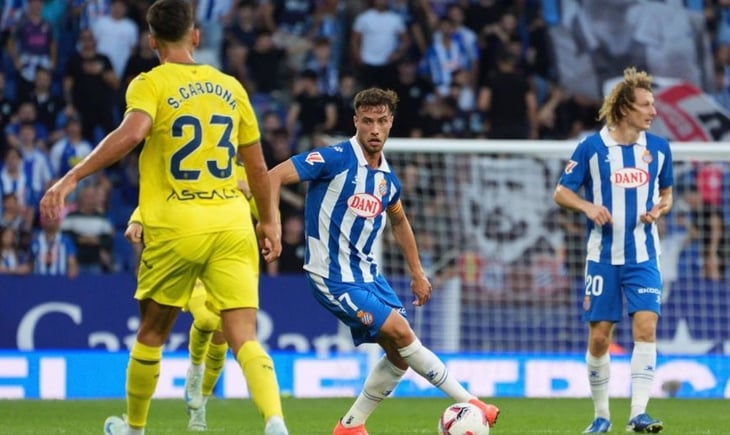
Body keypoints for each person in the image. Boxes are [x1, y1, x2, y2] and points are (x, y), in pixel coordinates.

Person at [38, 0, 288, 434]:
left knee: (152, 333)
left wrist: (72, 178)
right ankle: (275, 422)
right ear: (195, 36)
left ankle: (135, 428)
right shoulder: (230, 86)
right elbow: (256, 166)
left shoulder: (149, 83)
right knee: (244, 335)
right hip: (231, 221)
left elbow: (133, 133)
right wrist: (269, 220)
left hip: (176, 224)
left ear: (151, 40)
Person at [268, 87, 499, 435]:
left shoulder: (387, 179)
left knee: (397, 354)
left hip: (368, 276)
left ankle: (351, 425)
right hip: (332, 277)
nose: (374, 129)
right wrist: (271, 224)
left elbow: (400, 221)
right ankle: (472, 401)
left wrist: (418, 273)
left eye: (381, 121)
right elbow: (273, 177)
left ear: (391, 123)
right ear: (356, 122)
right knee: (402, 332)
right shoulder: (334, 158)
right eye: (367, 121)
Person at [553, 67, 673, 434]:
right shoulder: (592, 147)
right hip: (603, 258)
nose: (653, 111)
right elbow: (561, 191)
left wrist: (659, 209)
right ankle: (601, 415)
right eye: (645, 105)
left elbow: (667, 194)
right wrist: (588, 208)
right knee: (600, 336)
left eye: (653, 104)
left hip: (643, 256)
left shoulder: (659, 148)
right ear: (624, 109)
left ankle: (638, 413)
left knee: (646, 327)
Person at [124, 162, 260, 432]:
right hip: (188, 252)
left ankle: (201, 407)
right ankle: (195, 369)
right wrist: (137, 218)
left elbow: (267, 214)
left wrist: (252, 194)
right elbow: (163, 190)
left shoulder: (248, 172)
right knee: (209, 321)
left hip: (227, 257)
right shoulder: (192, 158)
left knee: (222, 332)